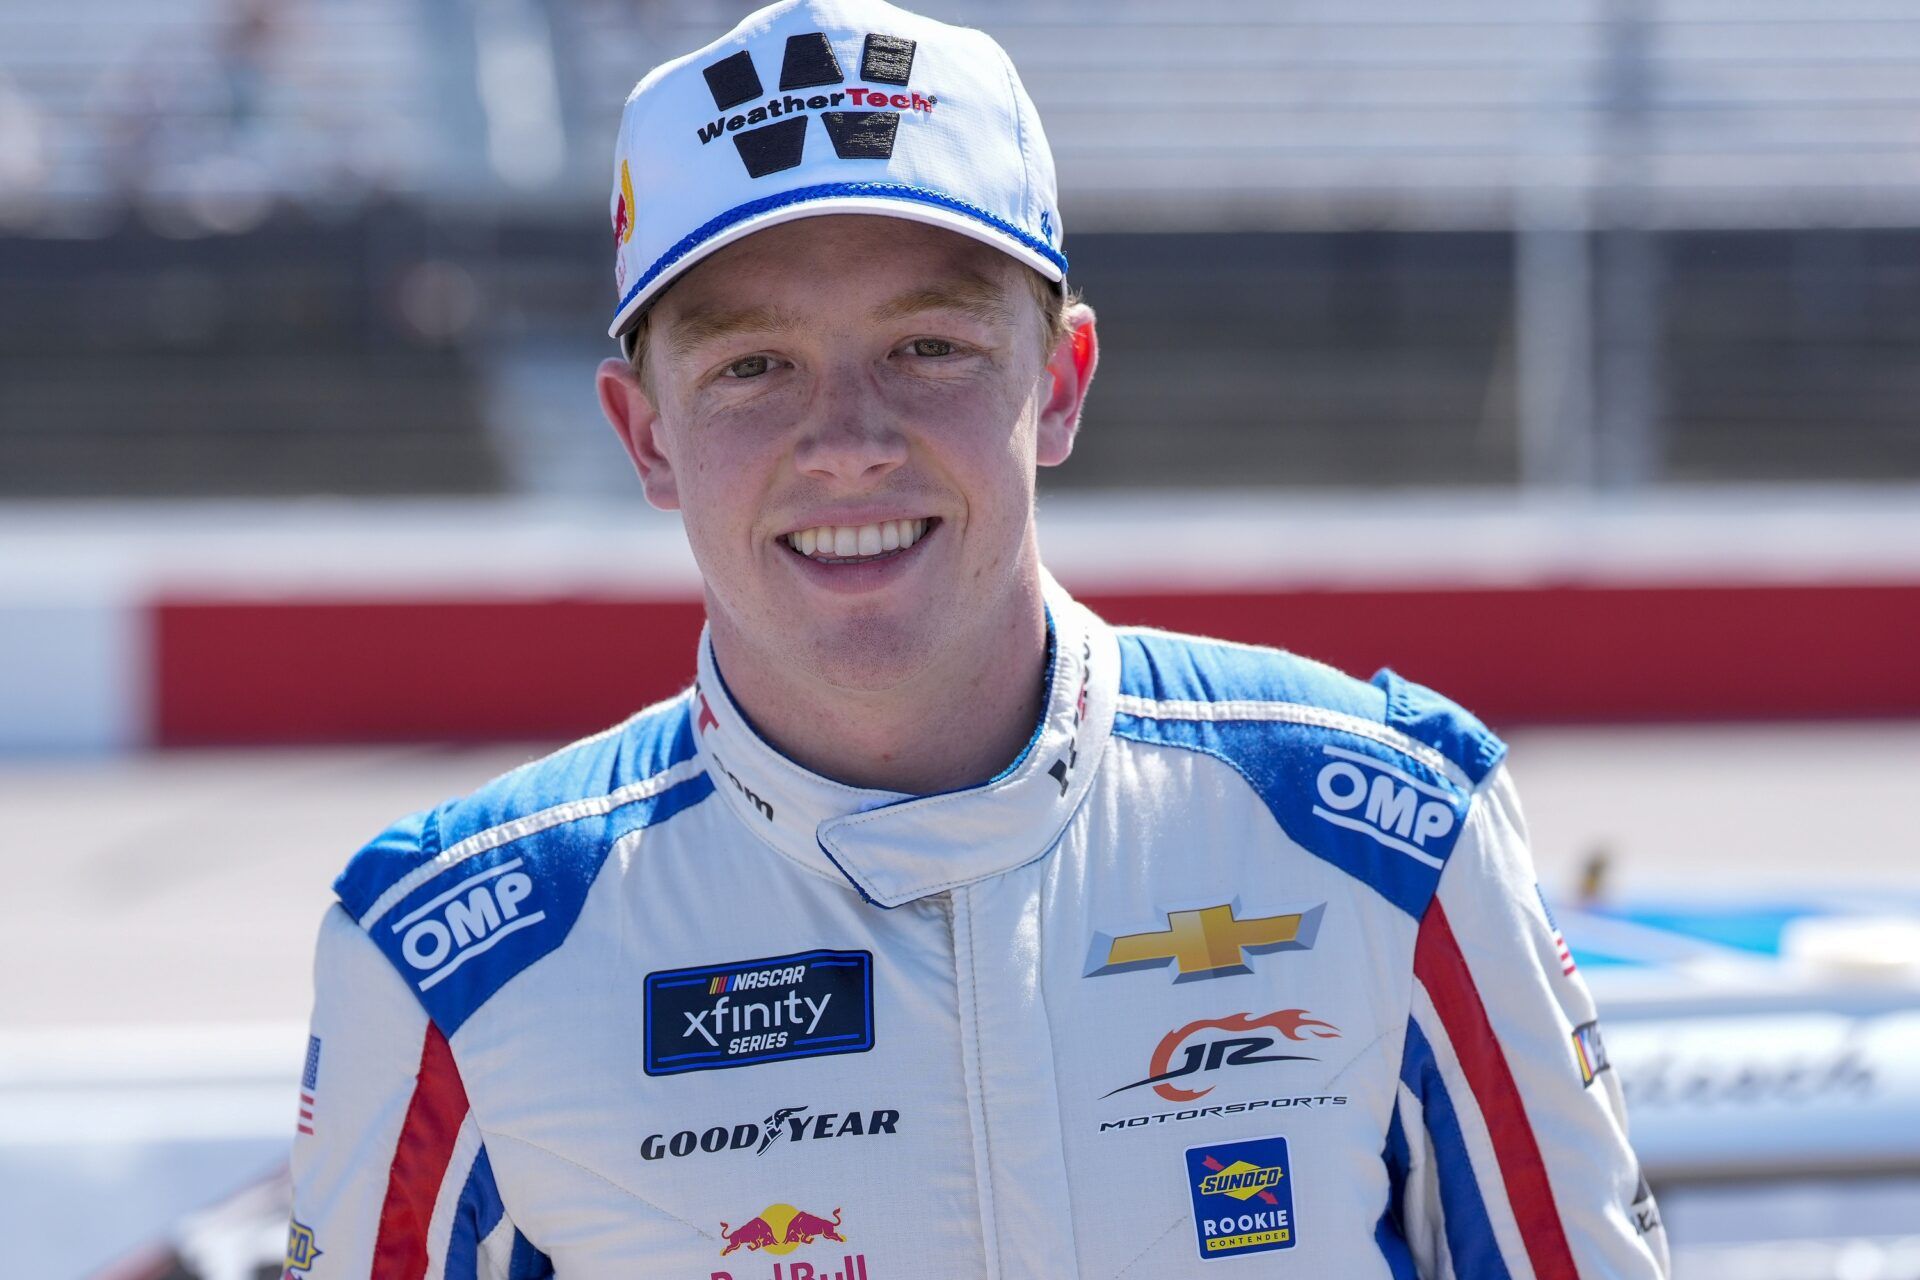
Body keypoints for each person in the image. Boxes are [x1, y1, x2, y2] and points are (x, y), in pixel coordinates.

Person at [288, 1, 1670, 1276]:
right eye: (751, 367)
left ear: (1058, 385)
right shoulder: (454, 959)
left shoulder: (1388, 838)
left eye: (930, 347)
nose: (847, 443)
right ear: (647, 436)